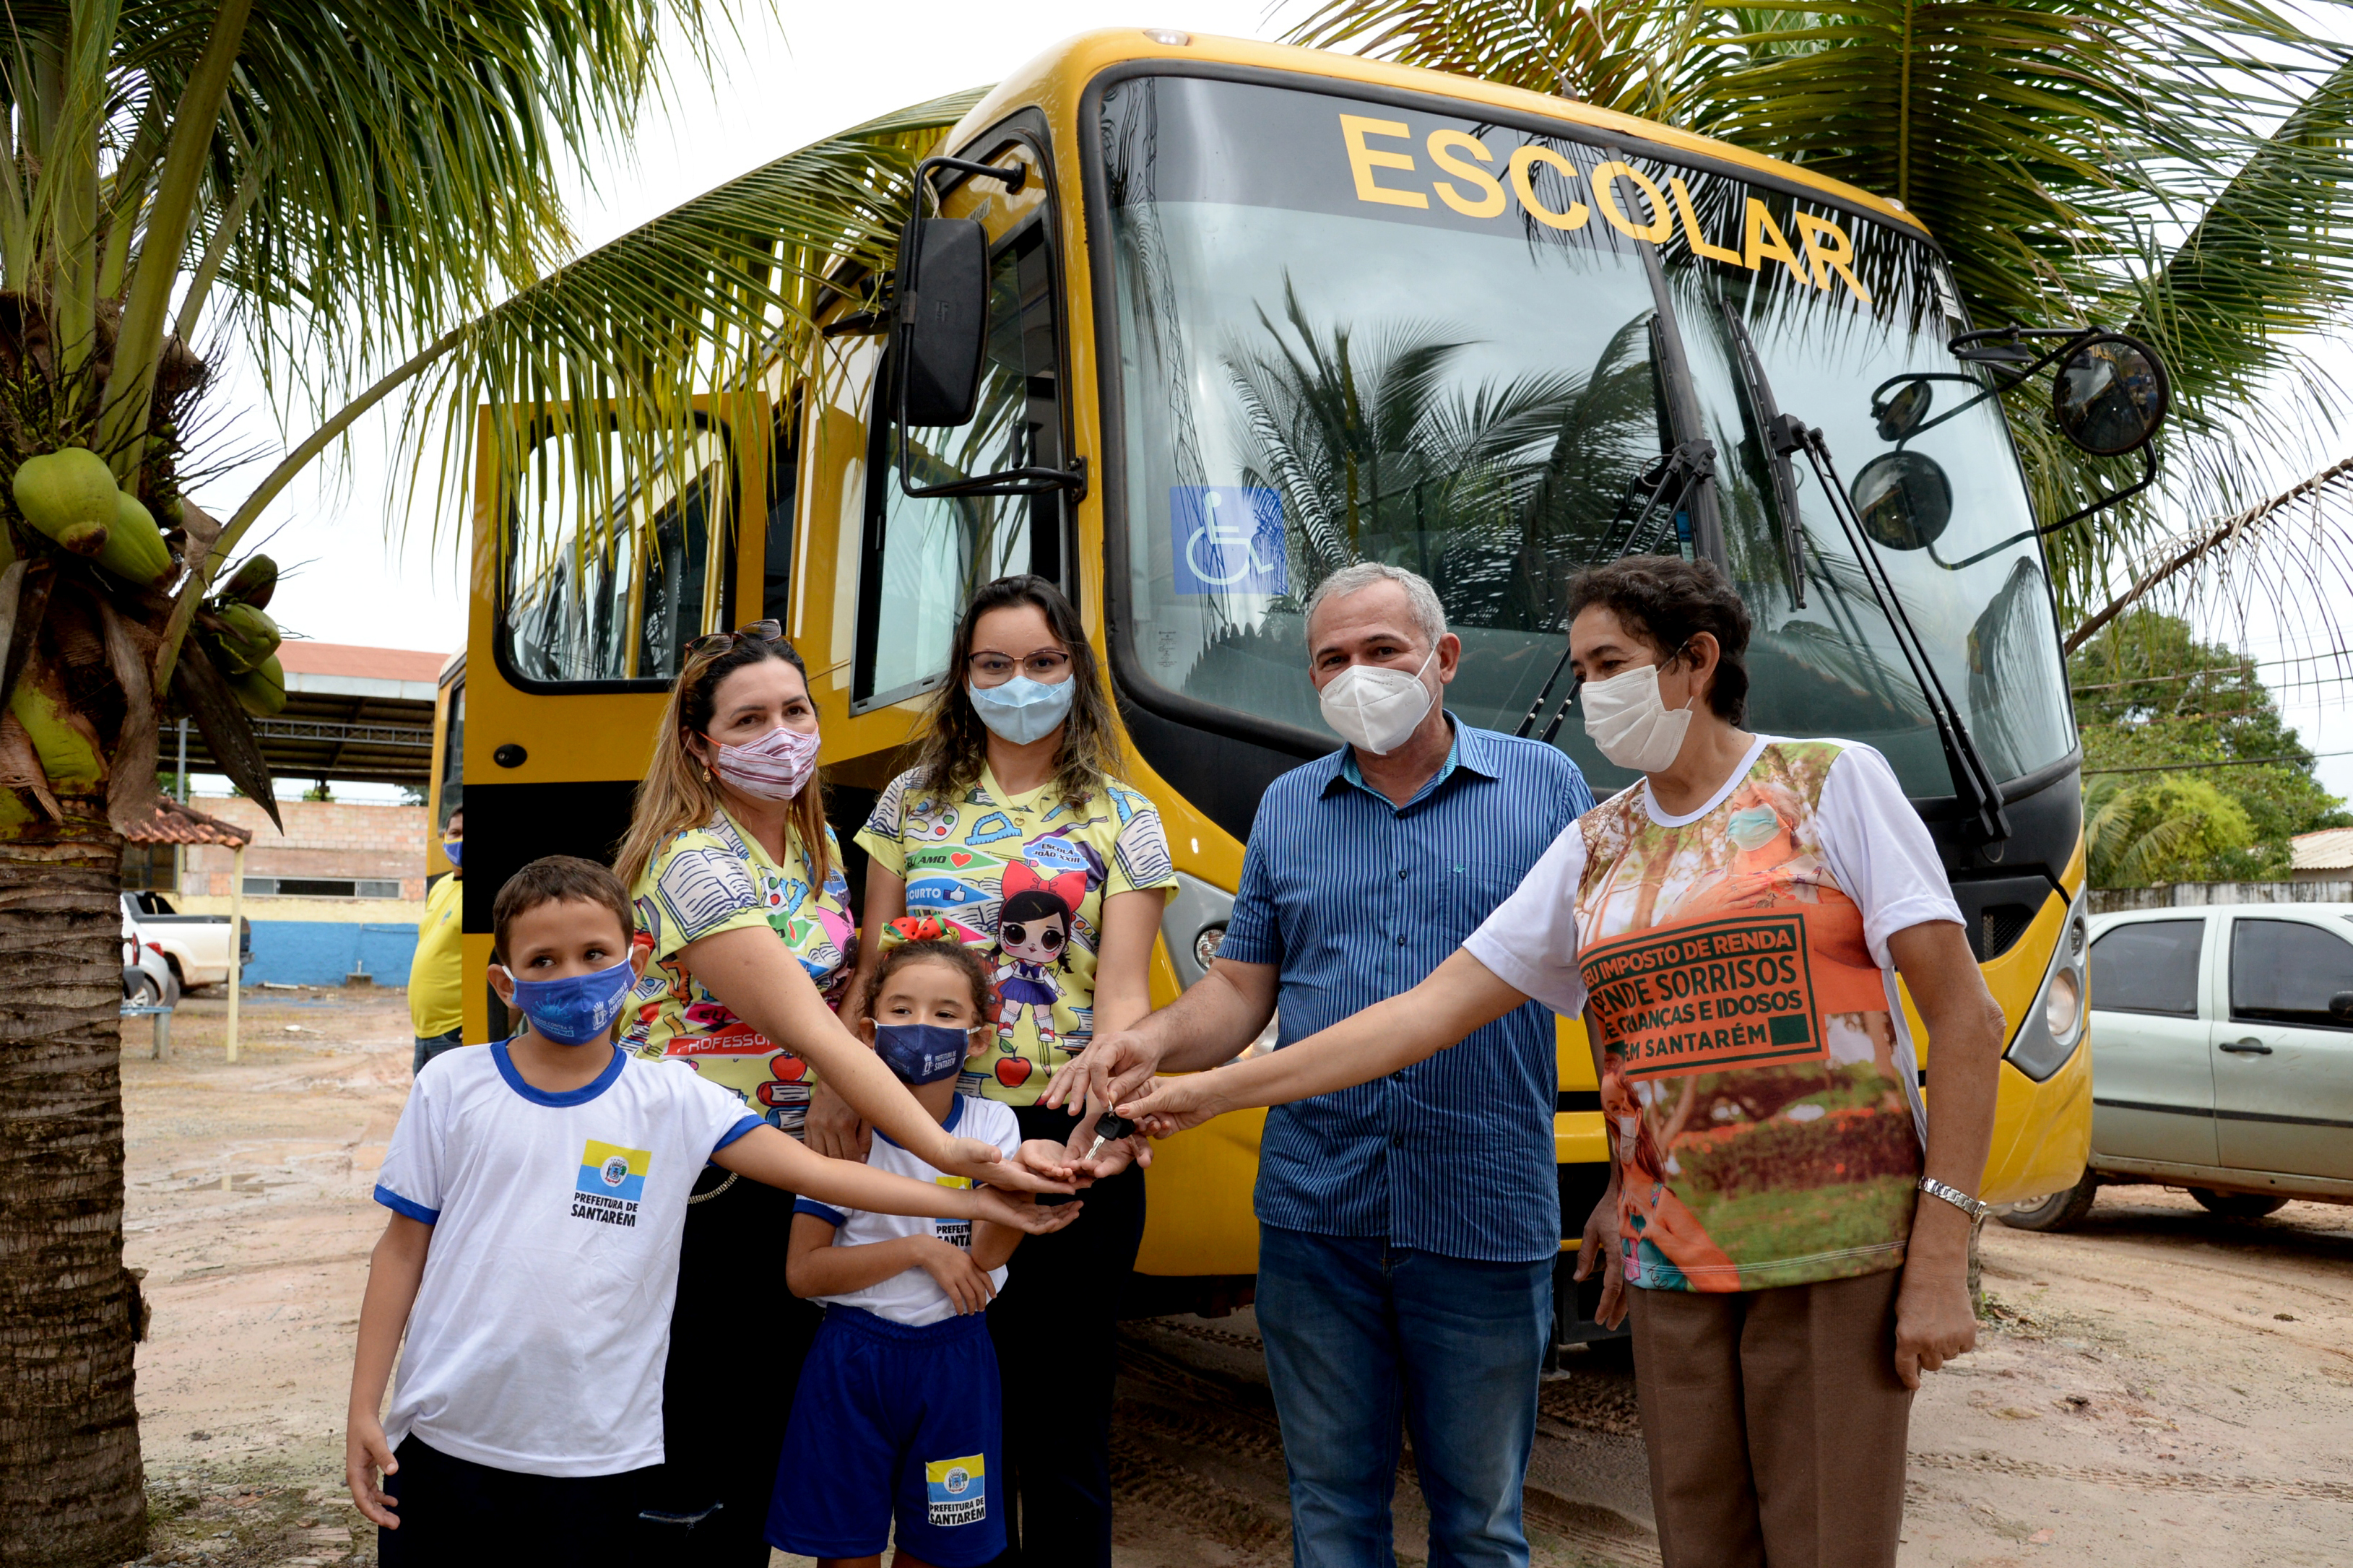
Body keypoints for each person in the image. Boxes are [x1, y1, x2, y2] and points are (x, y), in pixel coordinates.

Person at [1114, 555, 2008, 1568]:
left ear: (1694, 661)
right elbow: (1429, 1014)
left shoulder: (1827, 782)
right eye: (1579, 669)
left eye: (1607, 662)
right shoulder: (1598, 841)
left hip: (1829, 1245)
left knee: (1819, 1540)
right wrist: (1199, 1088)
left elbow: (1965, 1019)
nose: (1588, 692)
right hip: (1671, 1255)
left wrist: (1940, 1249)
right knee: (1698, 1540)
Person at [1046, 560, 1593, 1567]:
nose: (1357, 674)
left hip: (1481, 1204)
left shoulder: (1545, 786)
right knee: (1331, 1512)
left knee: (1479, 1520)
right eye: (1331, 658)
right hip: (1315, 1211)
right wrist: (1150, 1039)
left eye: (1381, 650)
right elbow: (1242, 988)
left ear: (1442, 657)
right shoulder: (1289, 806)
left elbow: (1602, 980)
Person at [344, 857, 1078, 1563]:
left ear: (634, 962)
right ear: (505, 981)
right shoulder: (453, 1084)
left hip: (600, 1451)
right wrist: (364, 1407)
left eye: (593, 952)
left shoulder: (676, 1099)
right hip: (444, 1438)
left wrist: (978, 1191)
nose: (572, 976)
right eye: (544, 961)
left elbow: (824, 1173)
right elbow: (402, 1248)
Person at [608, 620, 1062, 1564]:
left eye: (793, 709)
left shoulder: (808, 844)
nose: (781, 734)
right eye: (748, 718)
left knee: (775, 1430)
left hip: (793, 1167)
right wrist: (947, 1157)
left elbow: (840, 1001)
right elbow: (813, 1028)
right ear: (699, 742)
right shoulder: (694, 861)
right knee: (700, 1446)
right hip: (705, 1183)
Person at [812, 574, 1178, 1566]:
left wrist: (1109, 1121)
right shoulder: (909, 801)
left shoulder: (1123, 815)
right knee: (951, 1417)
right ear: (963, 676)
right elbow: (872, 964)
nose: (1020, 681)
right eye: (994, 663)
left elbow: (1121, 996)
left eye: (1043, 662)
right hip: (917, 1130)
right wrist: (843, 1083)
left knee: (1061, 1424)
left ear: (1076, 673)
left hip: (1059, 1134)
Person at [768, 940, 1043, 1568]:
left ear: (977, 1038)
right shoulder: (843, 1134)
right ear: (867, 1031)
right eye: (902, 1009)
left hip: (956, 1361)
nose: (923, 1026)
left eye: (946, 1014)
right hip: (851, 1361)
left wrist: (1022, 1190)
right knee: (847, 1551)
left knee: (942, 1551)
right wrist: (919, 1248)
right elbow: (803, 1271)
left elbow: (987, 1256)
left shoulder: (995, 1127)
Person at [407, 804, 463, 1074]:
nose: (460, 840)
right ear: (445, 837)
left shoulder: (492, 893)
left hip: (459, 1033)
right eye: (455, 832)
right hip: (425, 1032)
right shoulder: (441, 886)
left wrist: (493, 1025)